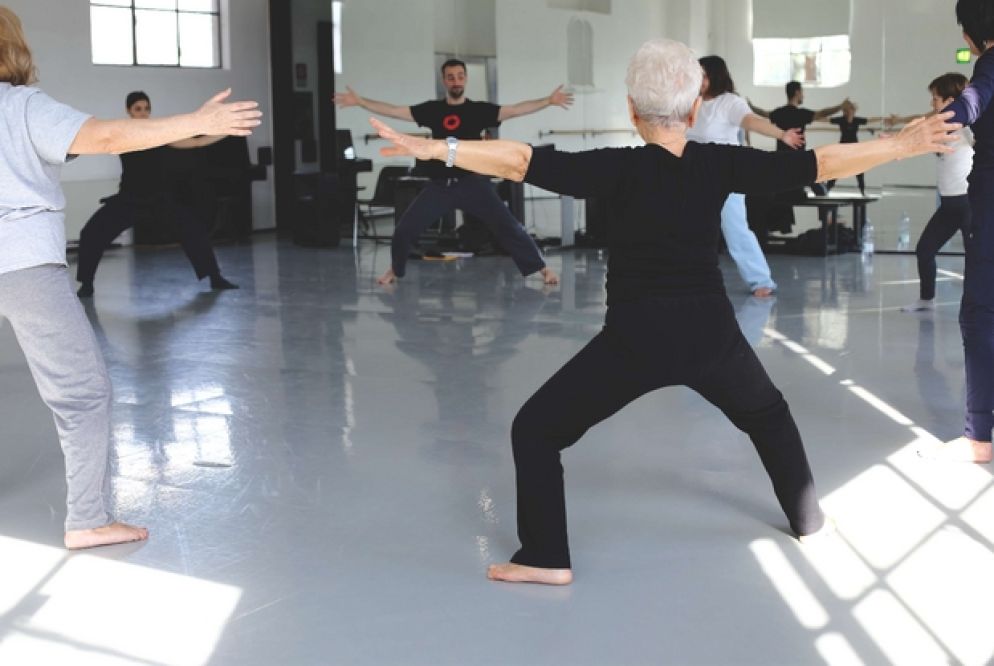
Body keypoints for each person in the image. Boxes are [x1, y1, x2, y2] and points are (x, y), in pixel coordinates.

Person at [371, 39, 960, 584]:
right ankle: (808, 521)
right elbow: (821, 163)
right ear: (696, 106)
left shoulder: (615, 166)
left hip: (633, 340)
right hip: (712, 337)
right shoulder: (717, 163)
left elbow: (520, 160)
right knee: (770, 417)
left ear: (632, 110)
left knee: (536, 430)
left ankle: (546, 557)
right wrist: (903, 144)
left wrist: (437, 147)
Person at [0, 5, 261, 548]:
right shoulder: (20, 106)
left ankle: (209, 273)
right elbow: (105, 137)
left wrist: (198, 130)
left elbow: (137, 137)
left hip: (123, 217)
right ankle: (89, 519)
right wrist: (200, 119)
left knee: (185, 230)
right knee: (83, 394)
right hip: (21, 261)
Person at [333, 59, 571, 286]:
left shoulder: (479, 111)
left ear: (465, 79)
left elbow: (515, 110)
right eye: (450, 77)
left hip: (473, 184)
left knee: (508, 225)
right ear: (444, 81)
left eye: (459, 76)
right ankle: (395, 269)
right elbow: (395, 111)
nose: (456, 81)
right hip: (440, 186)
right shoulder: (433, 110)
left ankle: (541, 268)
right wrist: (361, 102)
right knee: (405, 229)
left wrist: (548, 101)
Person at [918, 0, 994, 464]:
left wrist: (941, 119)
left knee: (980, 314)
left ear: (969, 35)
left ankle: (979, 437)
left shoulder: (988, 61)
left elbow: (974, 98)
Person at [75, 91, 239, 298]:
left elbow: (198, 142)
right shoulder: (122, 135)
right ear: (129, 111)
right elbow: (100, 140)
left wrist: (230, 129)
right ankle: (87, 284)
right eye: (138, 109)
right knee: (90, 234)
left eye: (146, 109)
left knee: (194, 231)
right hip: (129, 200)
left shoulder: (161, 135)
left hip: (160, 200)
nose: (143, 113)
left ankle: (215, 278)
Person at [688, 55, 805, 297]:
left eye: (703, 75)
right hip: (695, 175)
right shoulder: (692, 103)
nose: (698, 80)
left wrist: (781, 135)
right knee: (687, 228)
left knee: (735, 228)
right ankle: (686, 279)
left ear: (715, 76)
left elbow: (751, 121)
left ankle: (761, 280)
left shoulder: (730, 102)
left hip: (726, 176)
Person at [888, 73, 974, 313]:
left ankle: (979, 306)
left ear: (949, 101)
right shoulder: (939, 125)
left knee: (977, 259)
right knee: (925, 250)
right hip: (948, 206)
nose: (931, 103)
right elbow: (922, 123)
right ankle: (926, 300)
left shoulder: (968, 127)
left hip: (969, 203)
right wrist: (895, 142)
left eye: (935, 98)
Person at [750, 81, 848, 195]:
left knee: (784, 196)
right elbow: (823, 113)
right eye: (802, 92)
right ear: (797, 92)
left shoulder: (779, 113)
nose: (803, 95)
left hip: (781, 164)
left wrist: (750, 106)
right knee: (822, 192)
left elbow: (762, 112)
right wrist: (841, 106)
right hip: (799, 163)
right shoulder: (801, 114)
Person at [817, 100, 889, 195]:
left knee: (859, 170)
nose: (851, 112)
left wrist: (884, 119)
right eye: (849, 110)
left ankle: (862, 191)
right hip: (842, 149)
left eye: (852, 110)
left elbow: (870, 120)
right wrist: (813, 118)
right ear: (846, 111)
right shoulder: (841, 120)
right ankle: (827, 189)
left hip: (854, 150)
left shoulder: (856, 120)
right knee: (836, 169)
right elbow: (827, 120)